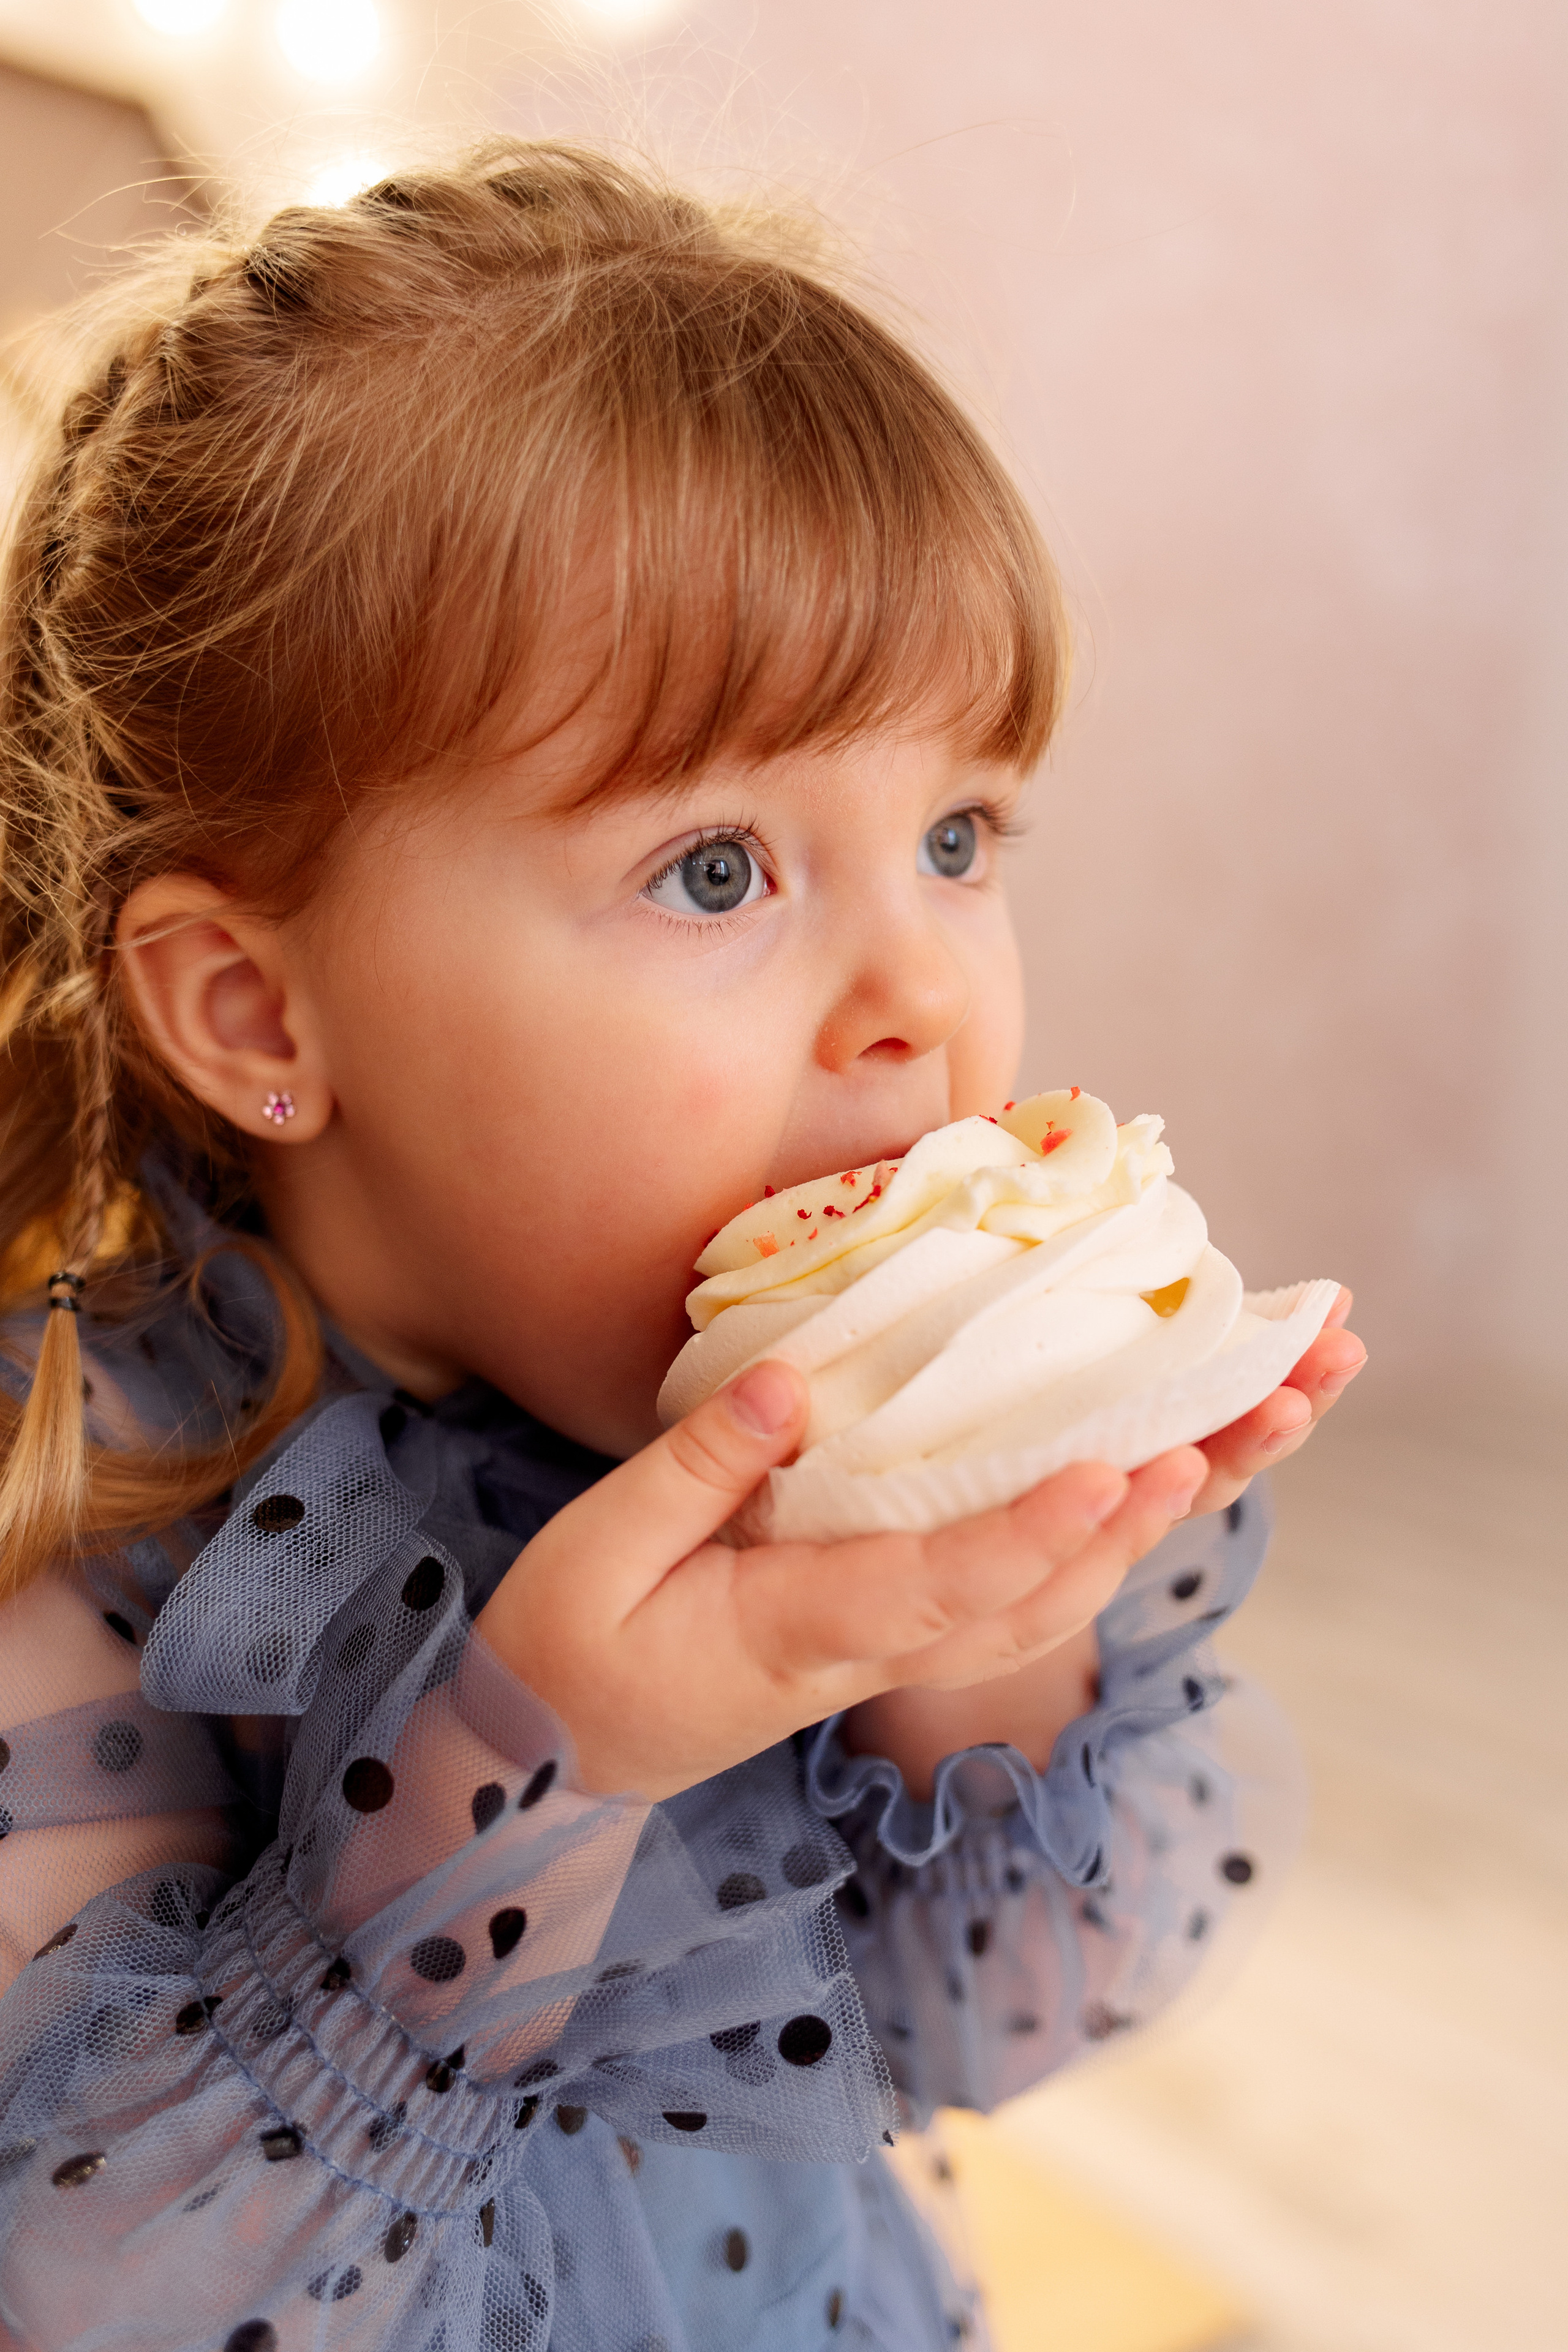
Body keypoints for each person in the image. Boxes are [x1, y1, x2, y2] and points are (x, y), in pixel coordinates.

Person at [0, 141, 1365, 2352]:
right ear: (262, 1011)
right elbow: (96, 2294)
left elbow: (994, 2026)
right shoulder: (82, 1517)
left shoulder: (775, 1421)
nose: (921, 995)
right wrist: (538, 1764)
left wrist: (982, 1627)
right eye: (718, 870)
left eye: (955, 834)